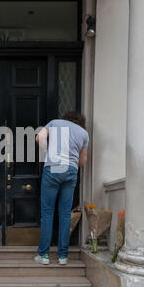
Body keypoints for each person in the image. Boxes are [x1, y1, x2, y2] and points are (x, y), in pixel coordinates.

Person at [34, 111, 89, 265]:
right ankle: (63, 256)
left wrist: (47, 153)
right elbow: (82, 161)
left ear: (66, 118)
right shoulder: (84, 133)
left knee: (47, 213)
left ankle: (44, 255)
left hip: (53, 167)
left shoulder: (55, 123)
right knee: (65, 214)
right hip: (71, 170)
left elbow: (39, 138)